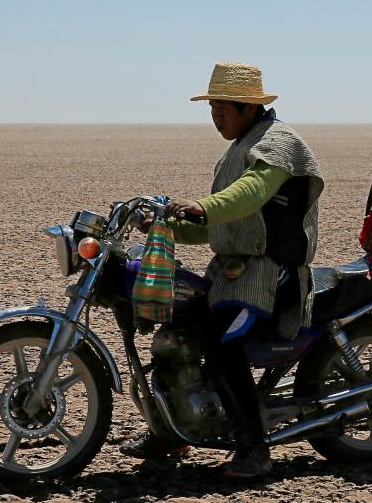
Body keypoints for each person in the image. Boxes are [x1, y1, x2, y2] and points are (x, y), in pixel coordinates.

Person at [121, 62, 324, 478]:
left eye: (222, 110)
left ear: (248, 107)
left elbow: (250, 194)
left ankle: (255, 448)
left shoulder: (279, 143)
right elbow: (225, 225)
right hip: (233, 271)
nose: (215, 118)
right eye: (212, 109)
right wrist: (166, 228)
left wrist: (203, 206)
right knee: (178, 335)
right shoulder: (240, 145)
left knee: (221, 346)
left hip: (269, 275)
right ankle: (173, 430)